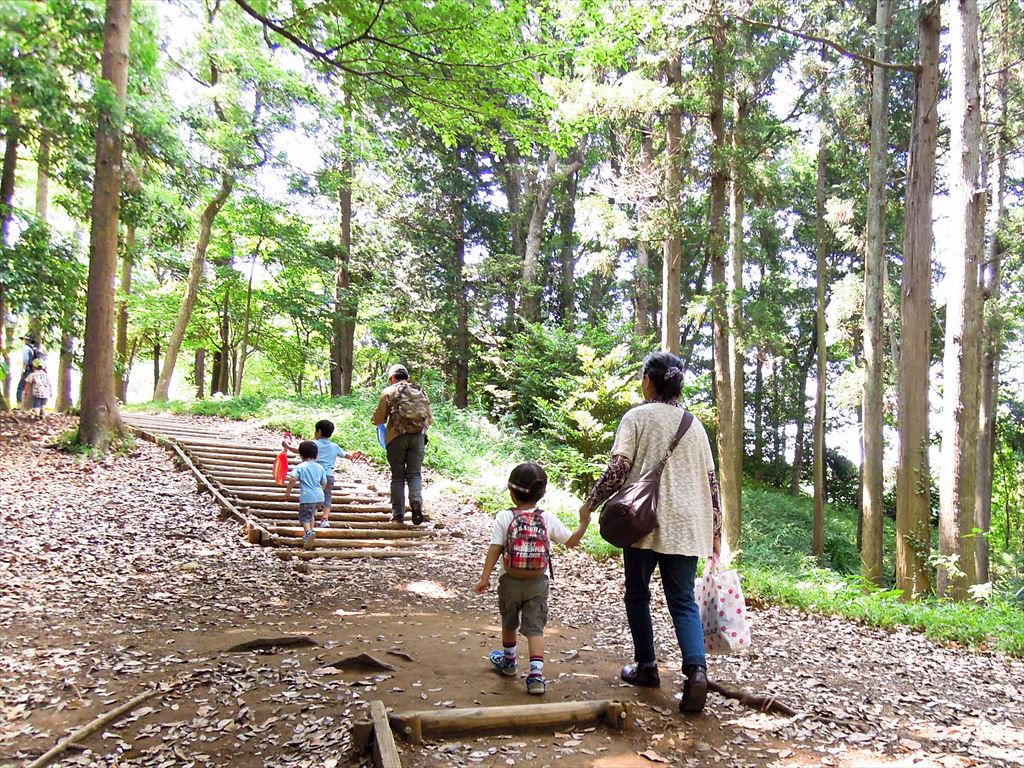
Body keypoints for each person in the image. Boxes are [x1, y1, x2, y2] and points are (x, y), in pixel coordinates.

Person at [579, 351, 721, 714]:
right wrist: (716, 529)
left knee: (638, 594)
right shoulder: (696, 426)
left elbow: (618, 469)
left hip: (644, 520)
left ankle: (647, 667)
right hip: (689, 525)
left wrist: (591, 502)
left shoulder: (637, 417)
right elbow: (711, 482)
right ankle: (697, 671)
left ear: (648, 380)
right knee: (683, 601)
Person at [474, 462, 589, 696]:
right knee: (535, 628)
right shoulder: (547, 518)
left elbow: (495, 549)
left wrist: (484, 577)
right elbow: (571, 541)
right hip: (538, 583)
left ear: (511, 491)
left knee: (509, 622)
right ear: (542, 493)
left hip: (509, 580)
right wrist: (584, 522)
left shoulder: (505, 517)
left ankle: (509, 663)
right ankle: (536, 676)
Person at [372, 364, 433, 524]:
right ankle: (416, 501)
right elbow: (430, 419)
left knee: (397, 476)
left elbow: (378, 420)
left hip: (396, 438)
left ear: (392, 378)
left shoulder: (388, 392)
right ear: (407, 376)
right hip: (418, 438)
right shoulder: (420, 391)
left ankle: (398, 515)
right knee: (414, 474)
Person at [282, 420, 359, 529]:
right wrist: (353, 456)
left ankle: (310, 515)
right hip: (328, 475)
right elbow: (347, 455)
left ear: (319, 431)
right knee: (327, 496)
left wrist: (287, 445)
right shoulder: (334, 446)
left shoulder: (313, 445)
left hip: (314, 475)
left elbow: (298, 450)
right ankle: (325, 519)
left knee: (312, 493)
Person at [283, 440, 328, 550]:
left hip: (307, 497)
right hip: (320, 497)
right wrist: (320, 490)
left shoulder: (301, 466)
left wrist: (288, 492)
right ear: (316, 455)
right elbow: (325, 482)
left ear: (301, 455)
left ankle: (308, 532)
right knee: (311, 514)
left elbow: (293, 478)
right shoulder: (320, 467)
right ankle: (309, 535)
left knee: (304, 518)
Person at [16, 335, 37, 410]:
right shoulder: (33, 349)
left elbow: (25, 360)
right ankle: (36, 407)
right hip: (33, 370)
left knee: (20, 388)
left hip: (27, 370)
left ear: (27, 340)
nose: (24, 341)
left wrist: (23, 369)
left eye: (25, 339)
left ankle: (19, 405)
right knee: (34, 388)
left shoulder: (25, 348)